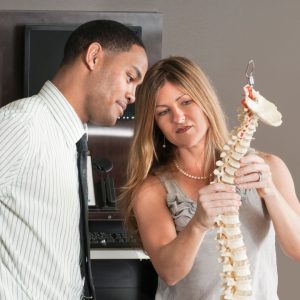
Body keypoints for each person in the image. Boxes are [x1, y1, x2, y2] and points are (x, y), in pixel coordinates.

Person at [119, 56, 300, 300]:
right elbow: (170, 272)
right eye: (164, 112)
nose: (178, 117)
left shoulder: (267, 167)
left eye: (186, 102)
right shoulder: (152, 190)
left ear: (204, 100)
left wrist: (270, 192)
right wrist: (199, 223)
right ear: (155, 124)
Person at [0, 20, 148, 300]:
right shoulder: (22, 126)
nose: (132, 95)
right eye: (130, 77)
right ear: (94, 57)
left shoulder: (71, 139)